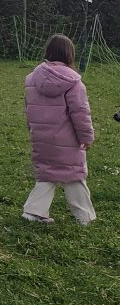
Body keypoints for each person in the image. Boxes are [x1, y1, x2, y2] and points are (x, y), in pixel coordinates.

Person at [22, 34, 96, 226]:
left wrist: (32, 130)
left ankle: (33, 211)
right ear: (69, 54)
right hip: (67, 140)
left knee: (46, 172)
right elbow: (81, 113)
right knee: (75, 175)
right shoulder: (75, 83)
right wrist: (86, 137)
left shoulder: (31, 79)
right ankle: (85, 217)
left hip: (41, 137)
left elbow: (28, 109)